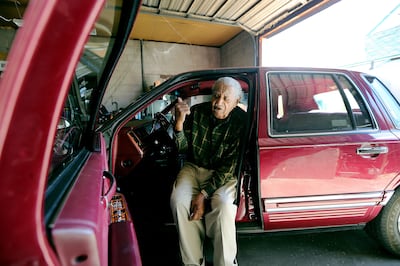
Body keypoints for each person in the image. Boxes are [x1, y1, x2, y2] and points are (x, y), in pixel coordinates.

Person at [170, 77, 246, 266]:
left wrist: (203, 195)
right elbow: (182, 150)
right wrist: (179, 123)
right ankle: (193, 262)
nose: (218, 102)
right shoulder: (196, 112)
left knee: (224, 205)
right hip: (193, 168)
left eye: (226, 99)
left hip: (222, 174)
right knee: (179, 201)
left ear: (236, 102)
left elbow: (229, 167)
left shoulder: (241, 122)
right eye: (216, 96)